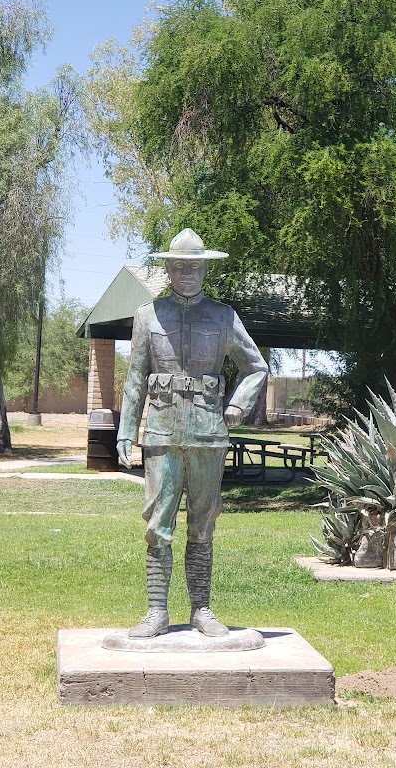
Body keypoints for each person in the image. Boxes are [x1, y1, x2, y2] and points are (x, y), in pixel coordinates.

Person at [116, 228, 268, 638]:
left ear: (205, 270)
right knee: (157, 526)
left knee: (203, 525)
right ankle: (156, 612)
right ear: (167, 268)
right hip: (162, 435)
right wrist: (126, 432)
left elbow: (256, 366)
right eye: (179, 266)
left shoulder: (223, 317)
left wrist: (236, 405)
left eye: (194, 267)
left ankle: (201, 609)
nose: (187, 273)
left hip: (207, 435)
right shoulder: (148, 316)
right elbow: (135, 378)